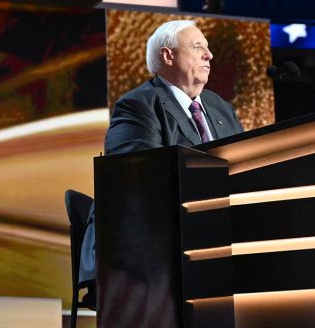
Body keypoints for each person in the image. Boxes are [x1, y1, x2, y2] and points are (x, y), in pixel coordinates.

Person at [79, 20, 244, 287]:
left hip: (217, 235)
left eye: (208, 47)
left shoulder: (220, 107)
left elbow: (241, 169)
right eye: (197, 46)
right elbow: (135, 179)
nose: (209, 55)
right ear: (168, 55)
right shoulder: (138, 105)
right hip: (149, 246)